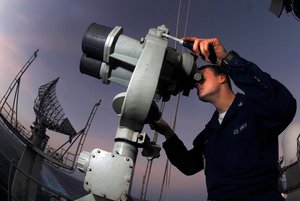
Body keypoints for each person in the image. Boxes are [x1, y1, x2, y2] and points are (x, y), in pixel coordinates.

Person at [150, 37, 297, 201]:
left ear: (222, 77)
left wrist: (225, 59)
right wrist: (167, 132)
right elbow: (189, 165)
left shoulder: (255, 109)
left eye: (201, 74)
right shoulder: (209, 133)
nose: (196, 81)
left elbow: (284, 105)